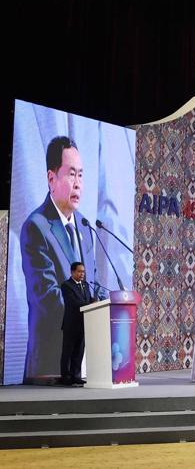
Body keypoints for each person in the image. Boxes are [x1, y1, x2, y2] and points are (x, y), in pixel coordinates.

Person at [20, 136, 101, 381]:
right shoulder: (36, 227)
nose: (78, 184)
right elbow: (48, 299)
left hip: (85, 360)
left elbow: (92, 285)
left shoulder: (86, 228)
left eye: (81, 175)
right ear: (51, 178)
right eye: (71, 174)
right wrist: (92, 312)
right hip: (51, 363)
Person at [59, 262, 93, 386]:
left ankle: (76, 375)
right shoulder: (66, 285)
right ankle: (66, 377)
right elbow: (72, 302)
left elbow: (88, 300)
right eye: (79, 271)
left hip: (84, 324)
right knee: (68, 351)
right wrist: (89, 304)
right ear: (72, 272)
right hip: (71, 324)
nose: (82, 274)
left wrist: (96, 301)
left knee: (79, 352)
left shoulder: (86, 285)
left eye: (83, 271)